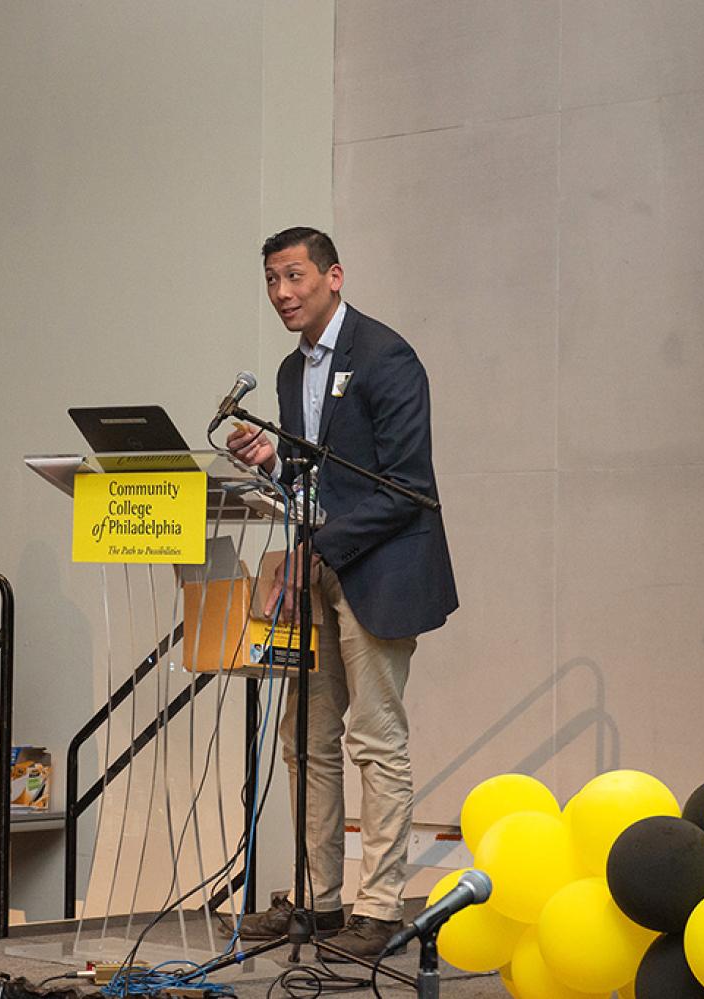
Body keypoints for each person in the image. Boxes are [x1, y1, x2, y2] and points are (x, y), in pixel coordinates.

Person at [226, 227, 458, 960]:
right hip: (319, 568)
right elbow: (314, 480)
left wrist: (317, 550)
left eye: (294, 276)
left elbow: (407, 488)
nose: (282, 293)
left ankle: (380, 908)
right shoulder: (291, 373)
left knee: (375, 739)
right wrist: (272, 463)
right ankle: (318, 900)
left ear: (334, 276)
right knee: (305, 739)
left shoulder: (387, 357)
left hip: (379, 572)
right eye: (272, 279)